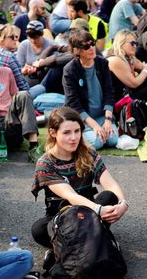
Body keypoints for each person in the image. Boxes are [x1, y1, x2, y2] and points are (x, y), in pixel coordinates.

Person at [30, 107, 128, 251]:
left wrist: (123, 204)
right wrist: (99, 210)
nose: (74, 137)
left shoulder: (89, 154)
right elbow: (70, 195)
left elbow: (111, 184)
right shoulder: (45, 163)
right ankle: (99, 238)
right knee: (38, 229)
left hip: (90, 212)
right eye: (66, 132)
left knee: (110, 196)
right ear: (53, 133)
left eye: (77, 131)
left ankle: (69, 247)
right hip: (63, 218)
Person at [62, 30, 117, 150]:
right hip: (83, 118)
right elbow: (73, 103)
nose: (92, 48)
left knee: (113, 140)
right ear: (77, 50)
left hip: (103, 116)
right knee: (97, 143)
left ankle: (94, 131)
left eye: (92, 43)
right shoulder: (70, 70)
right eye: (86, 46)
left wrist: (108, 120)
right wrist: (95, 125)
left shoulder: (102, 63)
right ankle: (79, 133)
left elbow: (109, 92)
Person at [0, 24, 30, 91]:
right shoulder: (9, 56)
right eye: (12, 37)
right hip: (9, 95)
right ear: (1, 39)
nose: (15, 40)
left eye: (16, 36)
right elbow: (23, 87)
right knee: (40, 88)